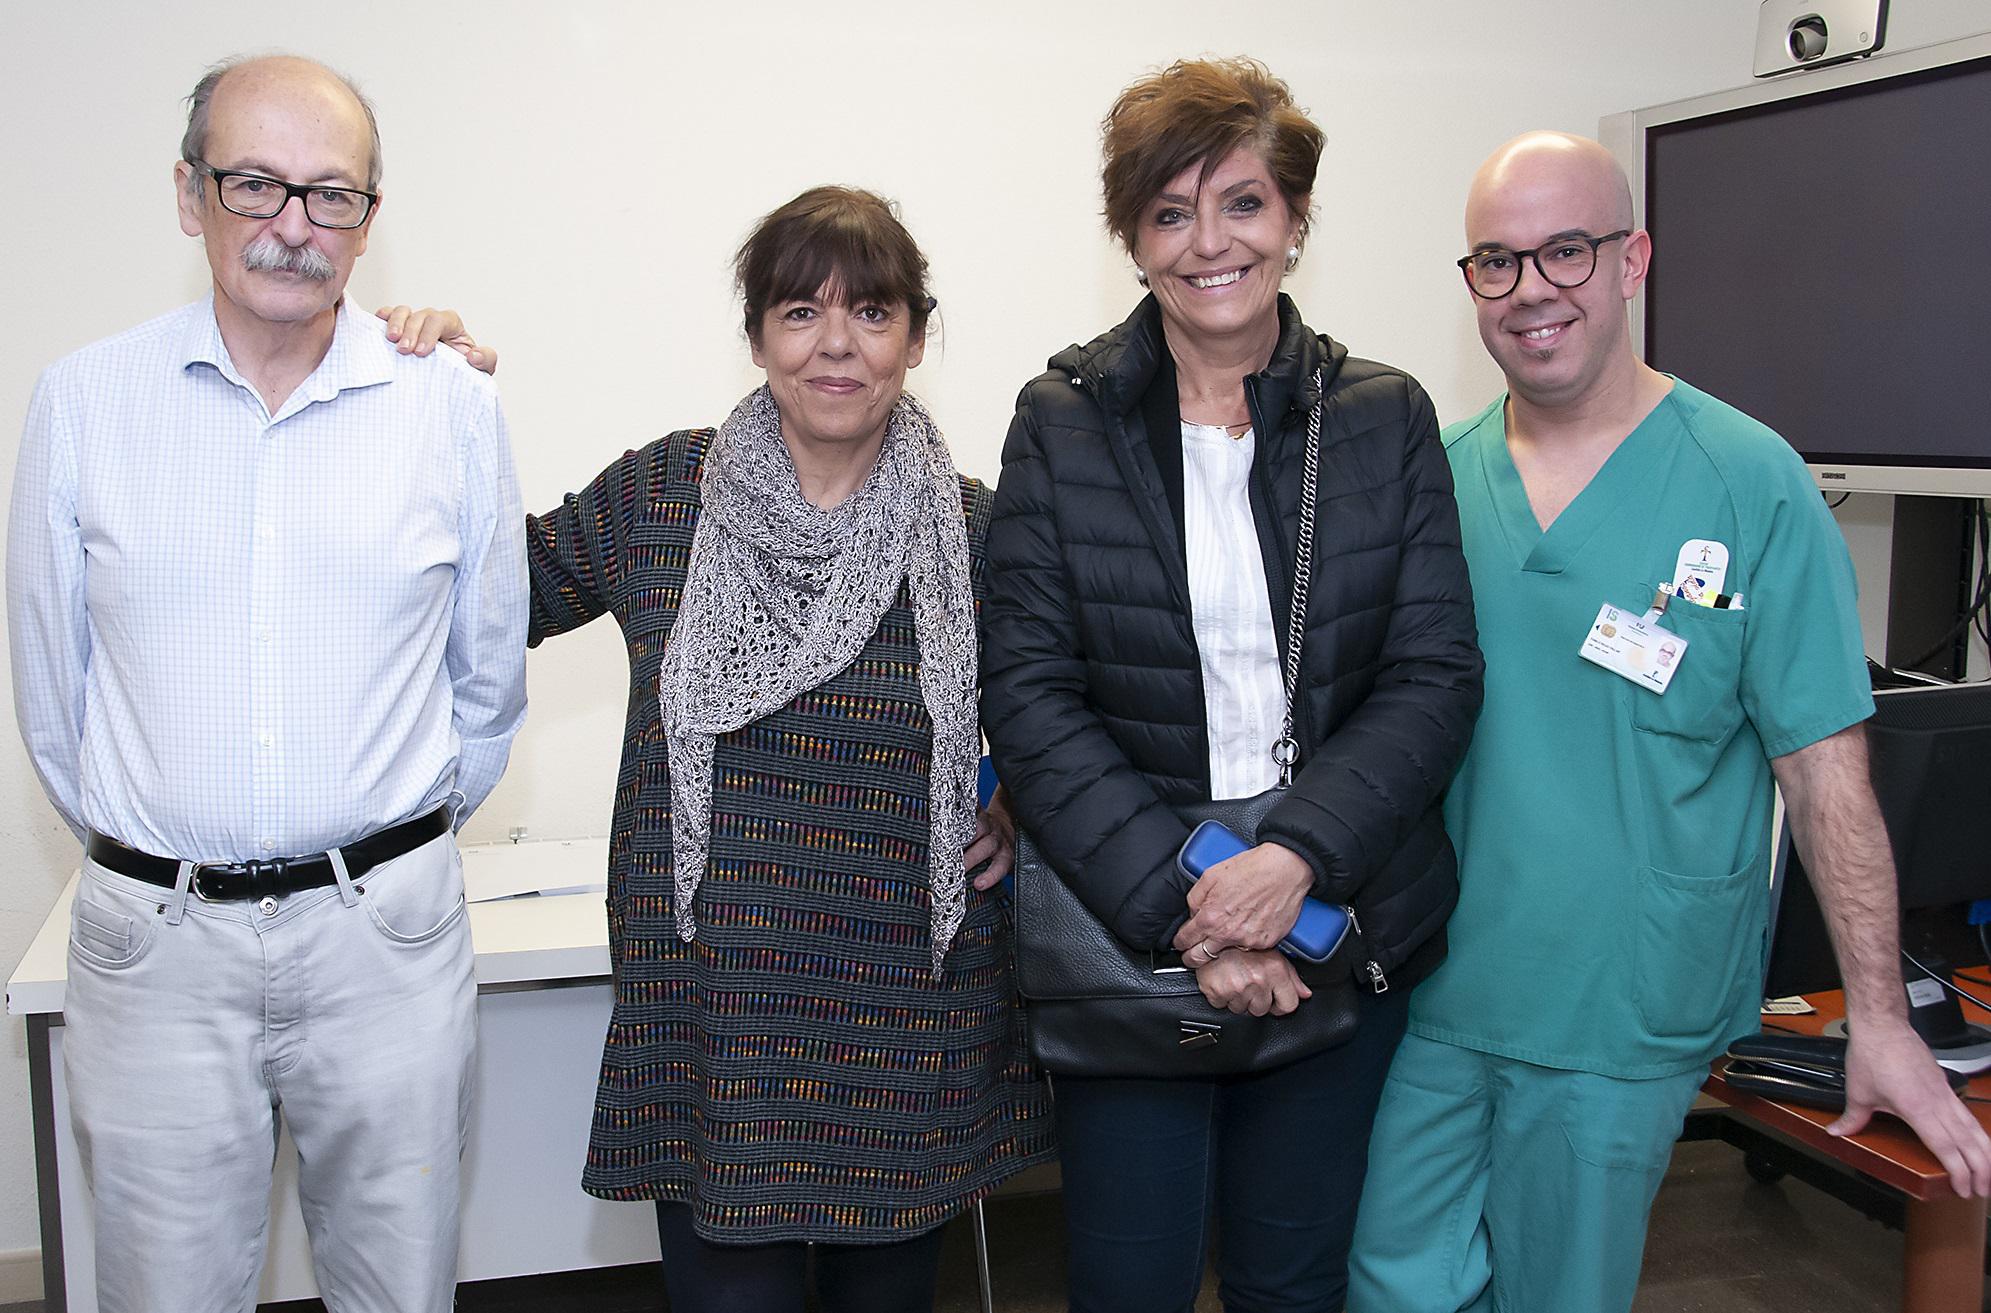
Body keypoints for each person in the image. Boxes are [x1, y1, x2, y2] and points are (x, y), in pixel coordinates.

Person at [1346, 130, 1991, 1313]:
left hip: (1623, 1004)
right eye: (1495, 260)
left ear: (1632, 259)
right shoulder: (1429, 478)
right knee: (1390, 1283)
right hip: (1440, 989)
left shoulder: (1748, 481)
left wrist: (1882, 1019)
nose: (1529, 287)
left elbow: (1823, 773)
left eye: (1565, 249)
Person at [6, 55, 526, 1312]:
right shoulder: (84, 403)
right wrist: (172, 849)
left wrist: (380, 849)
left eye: (330, 194)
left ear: (368, 221)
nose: (293, 224)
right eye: (255, 184)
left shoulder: (448, 405)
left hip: (384, 943)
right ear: (191, 195)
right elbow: (53, 697)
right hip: (158, 952)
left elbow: (486, 681)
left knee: (399, 1287)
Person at [981, 58, 1483, 1312]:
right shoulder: (1060, 421)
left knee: (1293, 1278)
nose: (1209, 243)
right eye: (1169, 212)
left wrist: (1292, 863)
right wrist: (1195, 911)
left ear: (1295, 218)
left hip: (1335, 924)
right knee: (1126, 1282)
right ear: (1131, 240)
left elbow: (1430, 675)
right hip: (1132, 929)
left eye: (1242, 203)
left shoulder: (1382, 415)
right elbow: (1030, 695)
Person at [523, 185, 1053, 1313]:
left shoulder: (974, 530)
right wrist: (419, 398)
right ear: (758, 334)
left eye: (871, 311)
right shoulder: (661, 499)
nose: (836, 344)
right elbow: (484, 593)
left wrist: (1019, 800)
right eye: (801, 311)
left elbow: (1068, 706)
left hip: (902, 1014)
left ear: (915, 337)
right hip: (715, 1014)